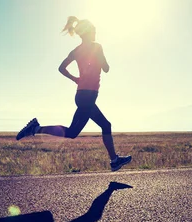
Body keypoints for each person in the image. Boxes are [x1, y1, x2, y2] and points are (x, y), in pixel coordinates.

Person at [16, 16, 132, 172]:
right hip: (87, 98)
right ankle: (114, 161)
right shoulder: (97, 47)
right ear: (88, 32)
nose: (96, 32)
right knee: (98, 127)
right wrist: (98, 58)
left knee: (78, 131)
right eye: (94, 30)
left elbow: (61, 68)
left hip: (83, 95)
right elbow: (106, 68)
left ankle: (114, 161)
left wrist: (76, 79)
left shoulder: (76, 51)